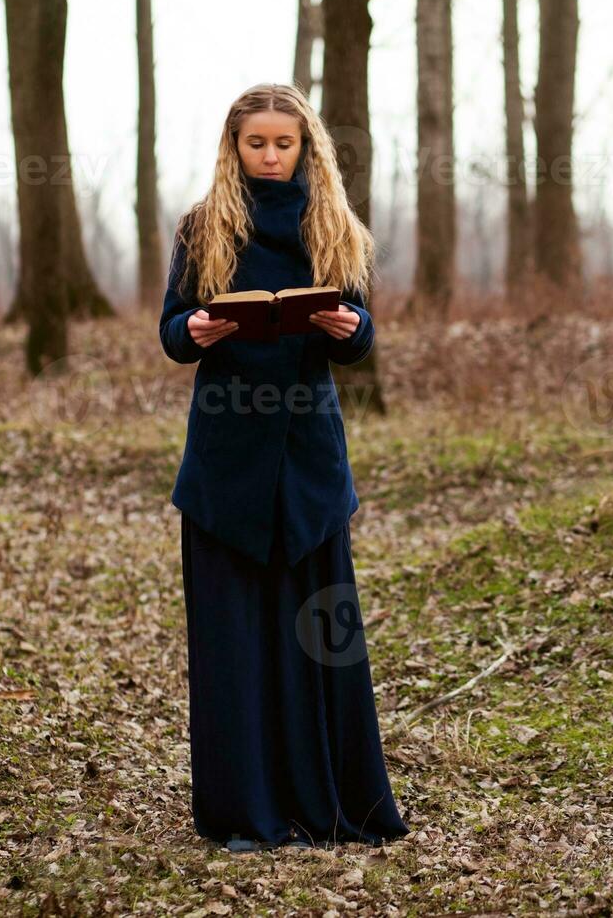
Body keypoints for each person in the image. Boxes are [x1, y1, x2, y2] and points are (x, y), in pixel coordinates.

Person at [157, 83, 410, 853]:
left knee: (317, 644)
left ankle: (327, 803)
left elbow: (360, 336)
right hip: (226, 469)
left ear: (307, 147)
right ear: (233, 147)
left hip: (308, 466)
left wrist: (349, 324)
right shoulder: (203, 228)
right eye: (255, 143)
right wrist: (194, 327)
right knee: (235, 646)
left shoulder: (334, 225)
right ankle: (246, 814)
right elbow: (171, 330)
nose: (270, 155)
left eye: (284, 143)